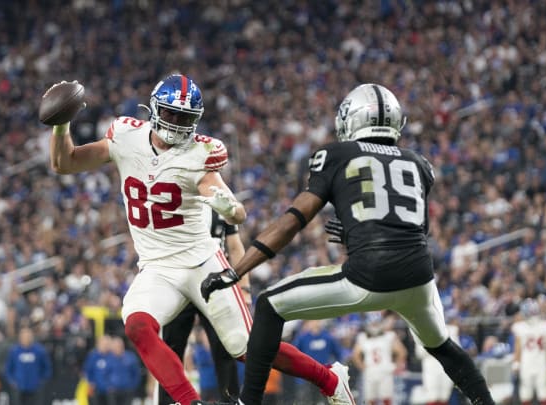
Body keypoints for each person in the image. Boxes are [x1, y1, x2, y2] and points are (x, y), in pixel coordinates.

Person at [46, 73, 354, 405]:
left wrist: (228, 205)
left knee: (246, 348)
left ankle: (331, 379)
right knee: (136, 324)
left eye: (185, 117)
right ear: (153, 109)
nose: (177, 123)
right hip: (156, 268)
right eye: (171, 114)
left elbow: (237, 213)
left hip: (201, 263)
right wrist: (61, 126)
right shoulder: (126, 136)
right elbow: (65, 162)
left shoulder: (200, 152)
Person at [200, 83, 494, 405]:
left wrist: (236, 270)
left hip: (369, 275)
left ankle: (248, 403)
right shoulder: (419, 163)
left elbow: (293, 221)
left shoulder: (336, 155)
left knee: (270, 303)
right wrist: (360, 229)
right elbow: (412, 226)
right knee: (442, 346)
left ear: (350, 120)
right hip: (419, 279)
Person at [158, 208, 249, 405]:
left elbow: (234, 246)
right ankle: (168, 402)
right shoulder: (177, 201)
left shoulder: (219, 205)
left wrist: (245, 288)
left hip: (215, 281)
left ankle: (230, 400)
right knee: (171, 349)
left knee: (225, 345)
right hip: (181, 281)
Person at [351, 314, 406, 405]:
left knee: (386, 398)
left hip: (385, 371)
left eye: (376, 324)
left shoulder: (388, 336)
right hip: (370, 371)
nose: (374, 326)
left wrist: (396, 366)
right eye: (373, 324)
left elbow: (401, 352)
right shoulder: (363, 337)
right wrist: (362, 366)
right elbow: (355, 354)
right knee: (370, 399)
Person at [511, 298, 546, 405]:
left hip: (527, 366)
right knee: (542, 395)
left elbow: (517, 351)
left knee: (528, 396)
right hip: (541, 365)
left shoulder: (520, 327)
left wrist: (515, 368)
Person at [4, 327, 52, 405]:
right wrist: (12, 381)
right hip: (19, 388)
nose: (26, 339)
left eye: (28, 336)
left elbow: (47, 368)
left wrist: (41, 381)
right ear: (20, 338)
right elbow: (8, 368)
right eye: (23, 336)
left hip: (35, 389)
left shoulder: (40, 351)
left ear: (32, 337)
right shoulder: (14, 351)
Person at [108, 336, 141, 405]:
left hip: (127, 390)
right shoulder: (108, 358)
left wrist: (132, 386)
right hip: (113, 391)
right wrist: (108, 385)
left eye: (120, 345)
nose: (118, 348)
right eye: (116, 346)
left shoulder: (131, 357)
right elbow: (104, 374)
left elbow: (136, 373)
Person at [83, 335, 113, 405]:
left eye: (107, 344)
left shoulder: (112, 356)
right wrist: (91, 382)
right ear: (98, 344)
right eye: (104, 344)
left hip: (110, 390)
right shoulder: (93, 356)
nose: (106, 346)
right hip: (96, 389)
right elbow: (87, 371)